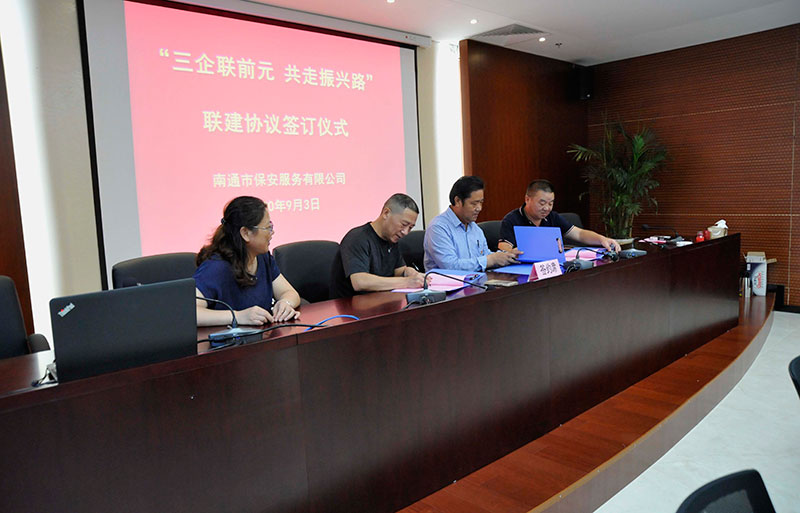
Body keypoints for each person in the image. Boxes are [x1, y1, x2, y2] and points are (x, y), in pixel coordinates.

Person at [194, 196, 301, 326]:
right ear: (245, 233)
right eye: (267, 228)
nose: (272, 232)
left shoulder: (263, 257)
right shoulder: (216, 267)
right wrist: (237, 316)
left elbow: (289, 292)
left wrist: (285, 303)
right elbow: (189, 313)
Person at [330, 193, 427, 298]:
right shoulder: (357, 238)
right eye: (404, 224)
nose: (405, 232)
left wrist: (409, 272)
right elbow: (360, 282)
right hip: (351, 304)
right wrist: (407, 282)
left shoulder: (391, 239)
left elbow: (399, 270)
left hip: (381, 301)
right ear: (386, 213)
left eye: (410, 227)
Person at [423, 176, 521, 271]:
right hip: (447, 282)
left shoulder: (474, 228)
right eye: (474, 203)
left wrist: (507, 255)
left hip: (477, 280)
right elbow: (450, 266)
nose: (479, 208)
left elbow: (485, 256)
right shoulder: (438, 228)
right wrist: (490, 260)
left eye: (481, 202)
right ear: (457, 201)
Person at [498, 179, 621, 252]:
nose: (547, 208)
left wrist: (602, 239)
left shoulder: (552, 216)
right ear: (527, 199)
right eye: (542, 203)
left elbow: (579, 234)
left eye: (551, 203)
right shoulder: (512, 219)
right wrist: (520, 252)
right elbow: (503, 248)